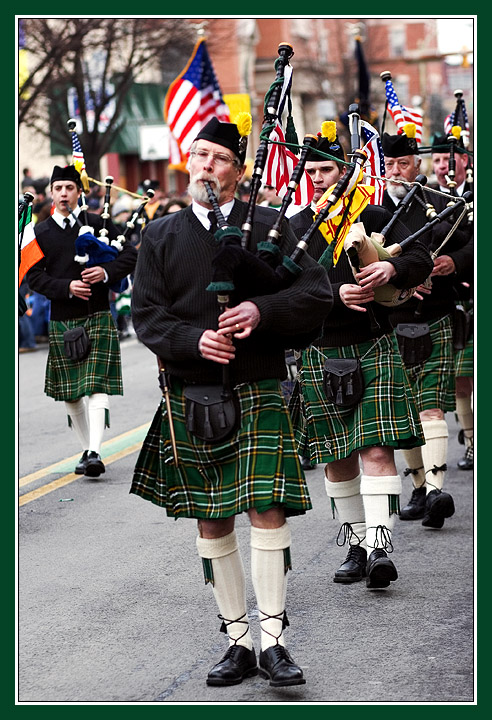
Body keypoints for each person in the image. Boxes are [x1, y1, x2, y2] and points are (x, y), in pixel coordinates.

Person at [130, 116, 332, 687]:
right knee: (211, 517)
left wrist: (260, 312)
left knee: (266, 508)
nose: (206, 167)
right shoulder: (162, 235)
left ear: (239, 172)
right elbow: (147, 315)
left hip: (261, 382)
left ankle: (274, 641)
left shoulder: (270, 228)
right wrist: (192, 339)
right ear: (187, 165)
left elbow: (314, 294)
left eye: (218, 158)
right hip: (192, 389)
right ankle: (238, 641)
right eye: (198, 156)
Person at [289, 124, 433, 588]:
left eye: (325, 169)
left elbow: (421, 259)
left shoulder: (372, 215)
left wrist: (392, 264)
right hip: (320, 348)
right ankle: (355, 543)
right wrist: (334, 295)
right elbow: (282, 291)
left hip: (371, 342)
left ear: (344, 172)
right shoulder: (292, 228)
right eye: (309, 170)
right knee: (337, 456)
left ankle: (378, 549)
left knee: (375, 447)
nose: (316, 178)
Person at [381, 129, 473, 526]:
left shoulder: (442, 204)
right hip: (390, 322)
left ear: (416, 165)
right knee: (405, 409)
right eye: (389, 165)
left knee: (431, 404)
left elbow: (474, 244)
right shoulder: (369, 209)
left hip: (434, 314)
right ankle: (418, 486)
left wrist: (455, 262)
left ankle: (436, 491)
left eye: (403, 164)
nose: (396, 171)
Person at [26, 165, 138, 477]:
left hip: (98, 313)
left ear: (79, 192)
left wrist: (105, 273)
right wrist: (65, 287)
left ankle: (95, 451)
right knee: (71, 393)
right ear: (51, 193)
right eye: (58, 188)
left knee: (96, 384)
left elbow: (129, 255)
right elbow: (33, 276)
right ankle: (86, 450)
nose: (64, 194)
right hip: (63, 318)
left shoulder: (97, 223)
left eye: (69, 188)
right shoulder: (39, 232)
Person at [430, 135, 474, 471]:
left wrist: (457, 261)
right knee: (462, 377)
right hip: (457, 303)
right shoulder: (433, 199)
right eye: (436, 162)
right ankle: (472, 441)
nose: (442, 166)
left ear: (464, 160)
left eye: (447, 160)